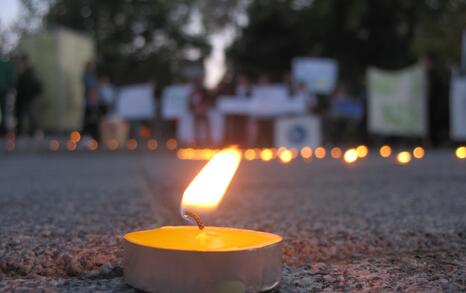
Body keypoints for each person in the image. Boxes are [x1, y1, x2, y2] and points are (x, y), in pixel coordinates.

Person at [15, 54, 42, 136]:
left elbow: (32, 84)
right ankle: (21, 131)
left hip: (29, 97)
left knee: (31, 114)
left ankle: (33, 131)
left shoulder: (30, 71)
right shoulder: (22, 72)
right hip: (23, 97)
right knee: (22, 115)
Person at [189, 80, 211, 147]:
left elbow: (207, 101)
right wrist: (195, 109)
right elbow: (190, 104)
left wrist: (203, 108)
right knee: (196, 127)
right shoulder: (192, 94)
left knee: (206, 126)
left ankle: (208, 141)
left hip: (203, 111)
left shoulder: (204, 92)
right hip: (196, 112)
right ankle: (197, 141)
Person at [82, 60, 99, 139]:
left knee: (93, 119)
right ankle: (88, 136)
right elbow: (91, 89)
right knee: (90, 119)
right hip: (90, 102)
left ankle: (92, 136)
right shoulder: (87, 76)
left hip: (93, 102)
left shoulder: (92, 76)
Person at [0, 55, 16, 136]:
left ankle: (6, 130)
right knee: (6, 112)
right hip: (6, 90)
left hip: (5, 91)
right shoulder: (8, 65)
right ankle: (6, 130)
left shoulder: (7, 65)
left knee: (6, 112)